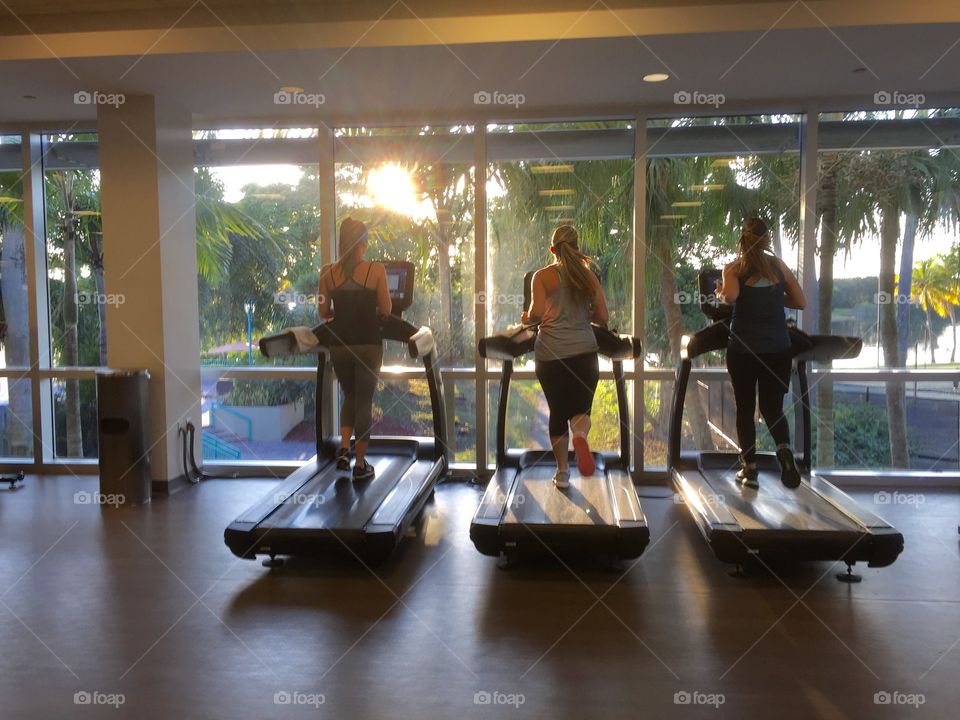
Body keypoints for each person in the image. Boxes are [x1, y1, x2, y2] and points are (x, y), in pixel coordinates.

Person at [716, 217, 806, 489]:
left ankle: (750, 469)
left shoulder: (734, 268)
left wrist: (721, 290)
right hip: (778, 350)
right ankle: (783, 450)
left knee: (745, 409)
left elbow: (731, 298)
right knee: (772, 408)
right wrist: (776, 299)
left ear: (742, 239)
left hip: (743, 351)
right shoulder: (779, 267)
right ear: (767, 239)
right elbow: (800, 302)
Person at [522, 225, 609, 489]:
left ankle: (562, 472)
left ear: (552, 249)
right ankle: (580, 434)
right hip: (584, 354)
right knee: (580, 411)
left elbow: (536, 314)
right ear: (577, 246)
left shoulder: (542, 276)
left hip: (550, 355)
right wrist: (583, 315)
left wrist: (527, 317)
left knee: (558, 412)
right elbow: (603, 317)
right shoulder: (589, 277)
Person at [318, 218, 392, 480]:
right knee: (364, 401)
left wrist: (343, 309)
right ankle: (360, 464)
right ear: (364, 242)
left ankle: (344, 450)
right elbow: (386, 310)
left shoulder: (327, 272)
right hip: (368, 344)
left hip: (340, 345)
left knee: (350, 395)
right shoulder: (376, 270)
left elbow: (323, 312)